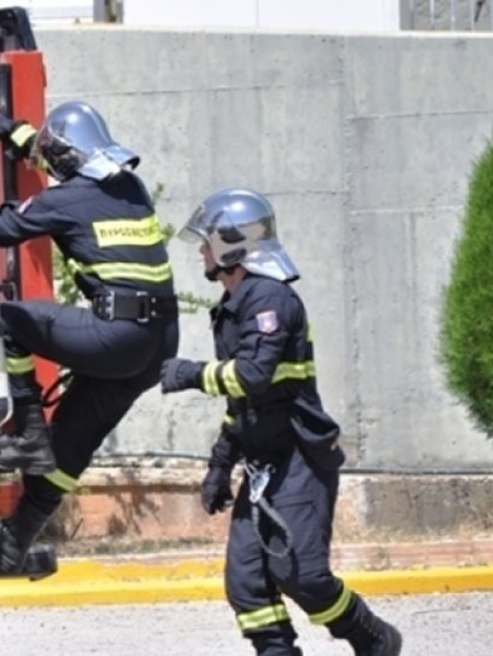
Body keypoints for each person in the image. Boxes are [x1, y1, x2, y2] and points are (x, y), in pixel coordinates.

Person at [0, 100, 180, 574]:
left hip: (114, 335)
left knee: (3, 321)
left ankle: (28, 434)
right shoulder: (130, 188)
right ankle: (14, 543)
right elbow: (66, 161)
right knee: (69, 446)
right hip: (158, 344)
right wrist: (14, 131)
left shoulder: (64, 201)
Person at [158, 188, 402, 656]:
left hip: (300, 459)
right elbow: (244, 403)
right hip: (263, 463)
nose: (201, 252)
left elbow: (252, 375)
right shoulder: (232, 307)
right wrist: (219, 465)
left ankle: (373, 638)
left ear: (232, 244)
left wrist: (189, 374)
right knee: (247, 585)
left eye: (207, 242)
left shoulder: (269, 299)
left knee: (302, 576)